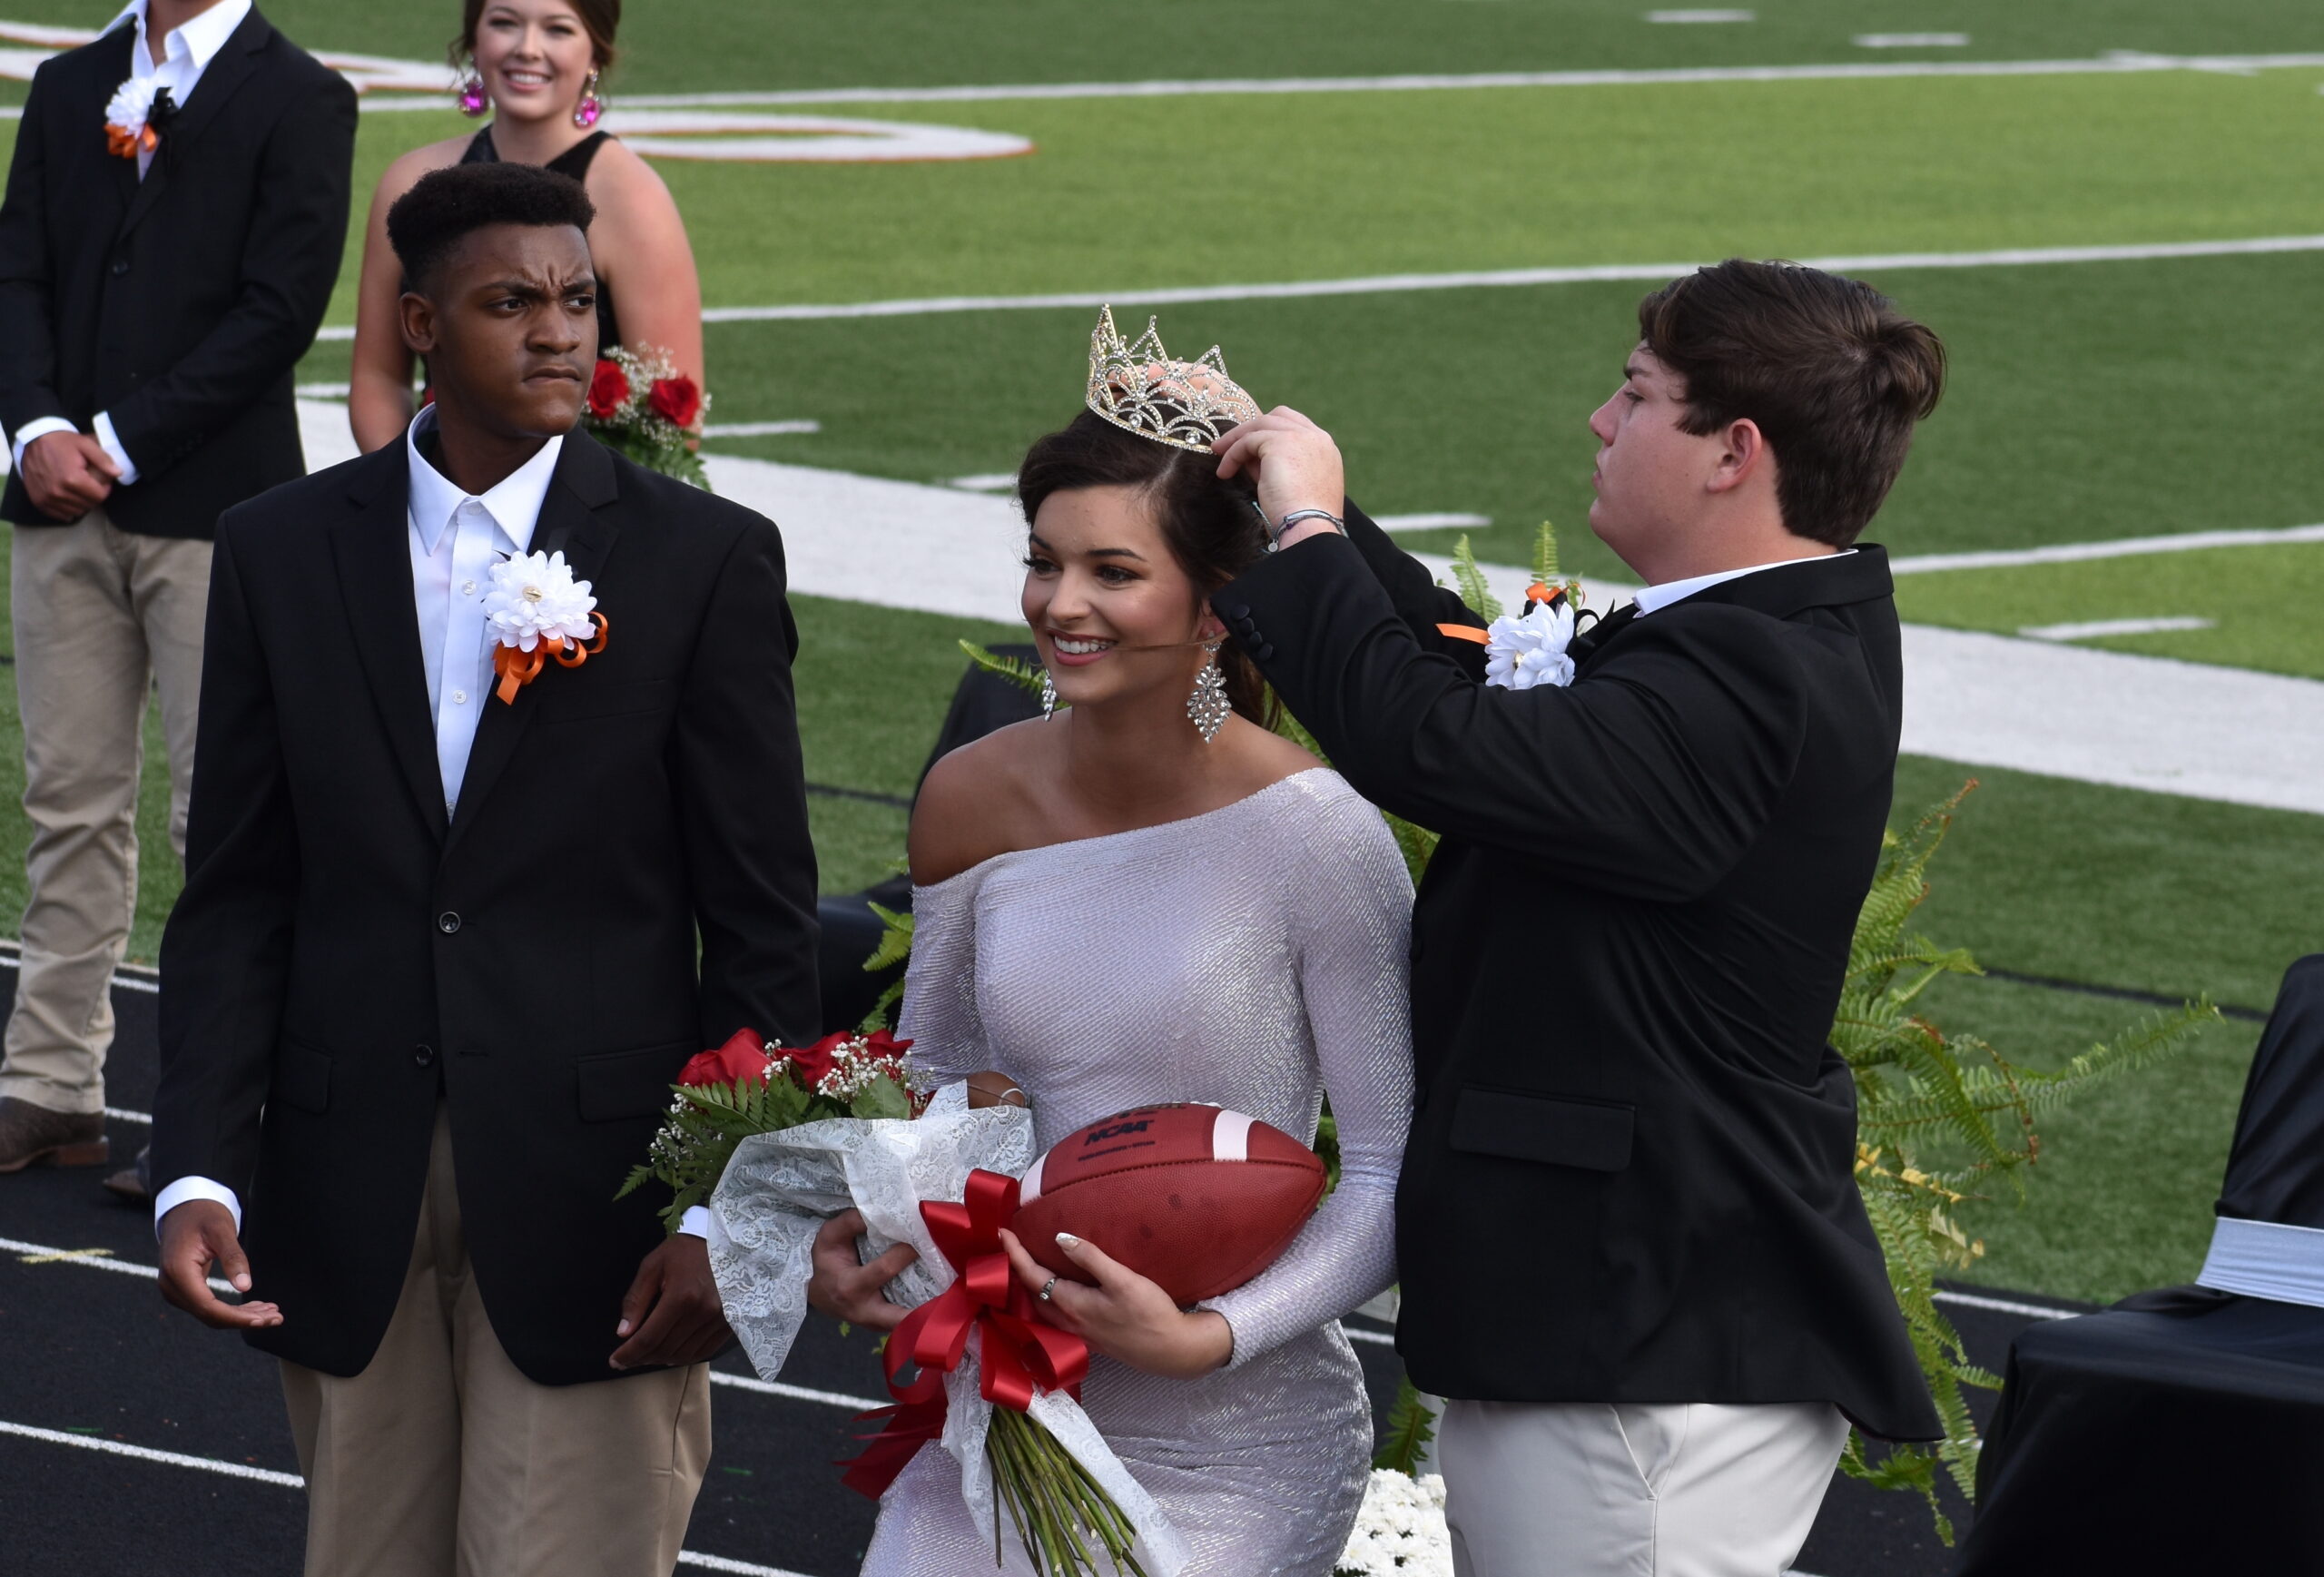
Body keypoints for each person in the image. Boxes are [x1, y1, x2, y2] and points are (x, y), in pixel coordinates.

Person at [1206, 260, 1950, 1576]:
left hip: (1643, 1359)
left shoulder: (1751, 673)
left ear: (1735, 450)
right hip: (1613, 1339)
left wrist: (1313, 531)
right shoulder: (1744, 636)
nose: (1600, 424)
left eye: (1636, 394)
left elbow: (1434, 743)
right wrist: (1291, 510)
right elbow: (1470, 674)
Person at [148, 162, 819, 1577]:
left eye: (580, 300)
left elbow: (759, 922)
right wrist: (197, 1165)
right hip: (344, 1183)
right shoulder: (277, 549)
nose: (562, 333)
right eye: (513, 302)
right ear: (417, 324)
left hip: (605, 1204)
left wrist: (734, 1208)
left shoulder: (704, 560)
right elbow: (239, 892)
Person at [803, 311, 1415, 1575]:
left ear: (1216, 604)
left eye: (1113, 571)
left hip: (1238, 1435)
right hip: (1012, 1393)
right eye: (1043, 561)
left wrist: (1215, 1334)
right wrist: (877, 1230)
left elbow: (1387, 1171)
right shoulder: (972, 798)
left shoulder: (1320, 836)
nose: (1060, 604)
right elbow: (944, 1086)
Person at [0, 0, 355, 1188]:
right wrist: (40, 429)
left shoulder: (303, 95)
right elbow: (19, 274)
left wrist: (114, 436)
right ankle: (50, 1085)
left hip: (219, 514)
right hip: (59, 507)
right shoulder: (67, 86)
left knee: (227, 821)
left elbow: (279, 311)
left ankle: (214, 1120)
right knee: (69, 802)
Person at [348, 0, 701, 454]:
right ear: (474, 41)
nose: (527, 49)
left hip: (580, 515)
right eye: (504, 23)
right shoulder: (409, 181)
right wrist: (419, 493)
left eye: (558, 29)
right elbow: (378, 378)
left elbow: (673, 422)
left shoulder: (633, 198)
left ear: (596, 53)